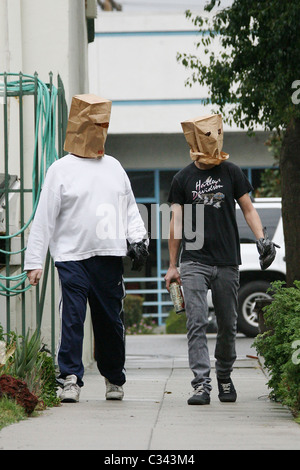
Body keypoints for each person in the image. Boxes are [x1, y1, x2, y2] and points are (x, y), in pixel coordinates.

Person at [24, 94, 148, 403]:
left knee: (110, 321)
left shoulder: (114, 168)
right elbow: (44, 218)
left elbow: (129, 208)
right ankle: (70, 378)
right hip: (71, 256)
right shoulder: (60, 170)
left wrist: (139, 238)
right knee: (73, 317)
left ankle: (114, 378)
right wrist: (34, 260)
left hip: (108, 254)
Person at [164, 114, 277, 405]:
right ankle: (201, 384)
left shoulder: (231, 172)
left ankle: (224, 375)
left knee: (228, 323)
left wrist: (261, 238)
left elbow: (249, 210)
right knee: (197, 321)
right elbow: (175, 222)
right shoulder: (182, 179)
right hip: (194, 262)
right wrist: (172, 265)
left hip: (227, 260)